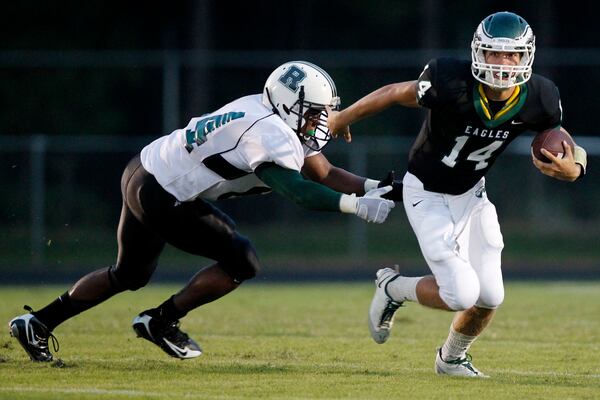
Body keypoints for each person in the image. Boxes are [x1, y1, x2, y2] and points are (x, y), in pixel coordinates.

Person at [8, 60, 399, 362]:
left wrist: (372, 187)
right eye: (313, 112)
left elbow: (325, 171)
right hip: (163, 193)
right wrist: (356, 206)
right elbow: (297, 191)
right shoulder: (270, 132)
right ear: (288, 106)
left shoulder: (269, 114)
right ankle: (160, 320)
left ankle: (38, 323)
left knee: (128, 274)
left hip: (145, 170)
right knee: (242, 260)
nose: (320, 120)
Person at [327, 12, 588, 377]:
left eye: (511, 54)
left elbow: (566, 145)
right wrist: (343, 118)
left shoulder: (540, 96)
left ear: (525, 57)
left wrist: (573, 170)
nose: (502, 62)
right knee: (461, 293)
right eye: (494, 53)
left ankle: (451, 359)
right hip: (426, 193)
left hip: (473, 196)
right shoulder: (450, 79)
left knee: (490, 297)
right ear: (478, 53)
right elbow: (393, 93)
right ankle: (393, 287)